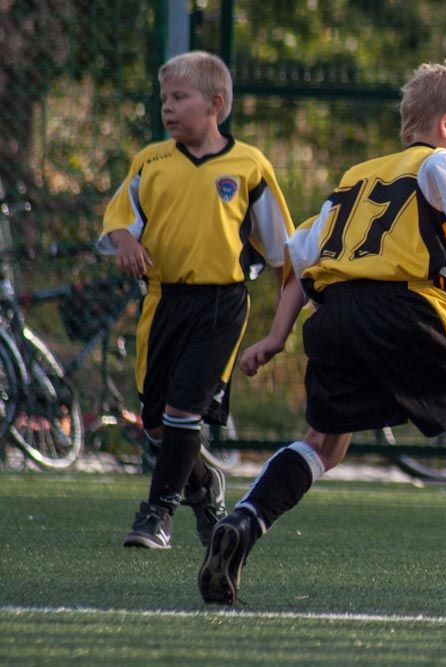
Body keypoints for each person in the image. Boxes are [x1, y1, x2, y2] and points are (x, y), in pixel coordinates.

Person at [198, 62, 446, 605]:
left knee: (325, 443)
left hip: (334, 317)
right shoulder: (439, 159)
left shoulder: (353, 180)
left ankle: (244, 520)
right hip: (406, 305)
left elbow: (299, 259)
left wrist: (275, 337)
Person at [98, 51, 294, 550]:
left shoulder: (249, 166)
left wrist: (285, 322)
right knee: (157, 424)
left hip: (220, 305)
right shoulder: (151, 161)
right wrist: (125, 242)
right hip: (162, 302)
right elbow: (118, 219)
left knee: (185, 410)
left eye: (180, 97)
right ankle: (206, 487)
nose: (168, 107)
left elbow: (283, 252)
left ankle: (157, 514)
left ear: (215, 104)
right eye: (164, 98)